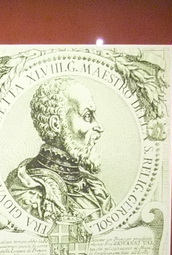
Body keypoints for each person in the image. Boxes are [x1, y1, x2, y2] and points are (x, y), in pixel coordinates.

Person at [6, 77, 114, 224]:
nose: (99, 127)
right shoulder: (27, 191)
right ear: (56, 124)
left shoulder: (96, 187)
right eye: (87, 116)